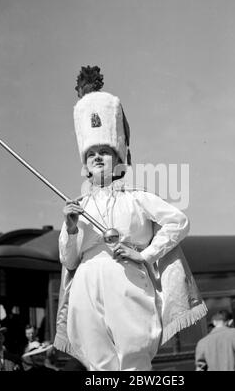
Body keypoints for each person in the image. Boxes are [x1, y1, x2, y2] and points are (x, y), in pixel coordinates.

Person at [53, 65, 207, 371]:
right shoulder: (78, 206)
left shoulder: (137, 197)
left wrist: (145, 254)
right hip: (86, 284)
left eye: (105, 151)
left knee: (133, 358)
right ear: (85, 163)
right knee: (99, 364)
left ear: (120, 159)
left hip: (127, 281)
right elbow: (69, 261)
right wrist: (71, 228)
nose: (97, 157)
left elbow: (179, 221)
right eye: (91, 153)